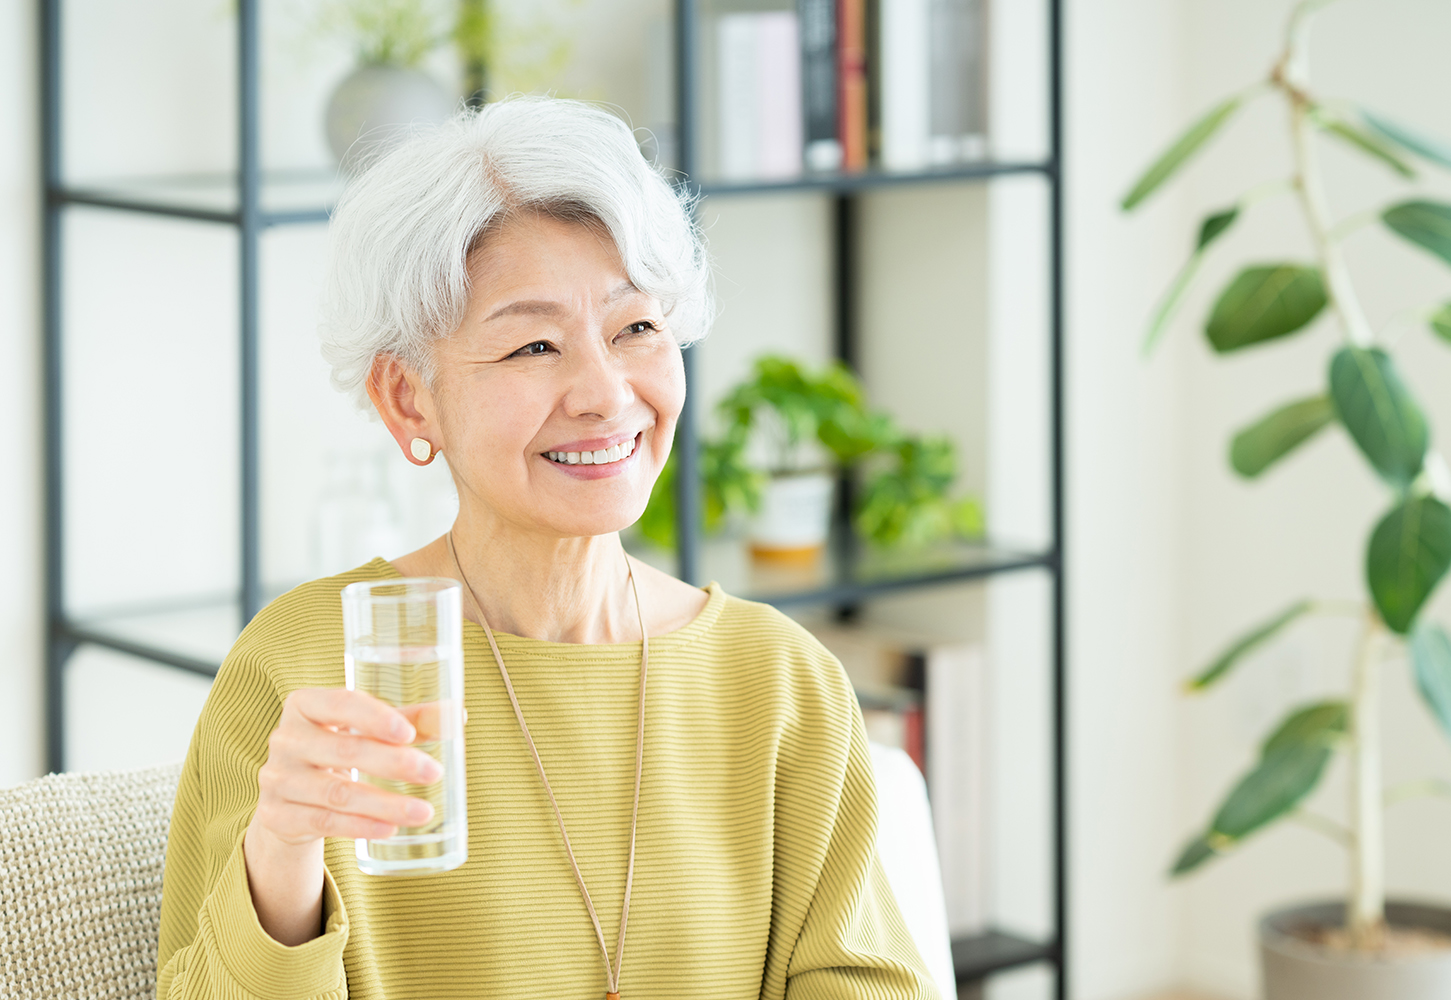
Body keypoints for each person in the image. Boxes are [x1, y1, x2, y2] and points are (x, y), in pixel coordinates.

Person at [155, 96, 937, 1000]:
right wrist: (281, 857)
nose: (605, 394)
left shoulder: (778, 680)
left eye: (636, 327)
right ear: (409, 399)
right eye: (533, 345)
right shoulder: (303, 667)